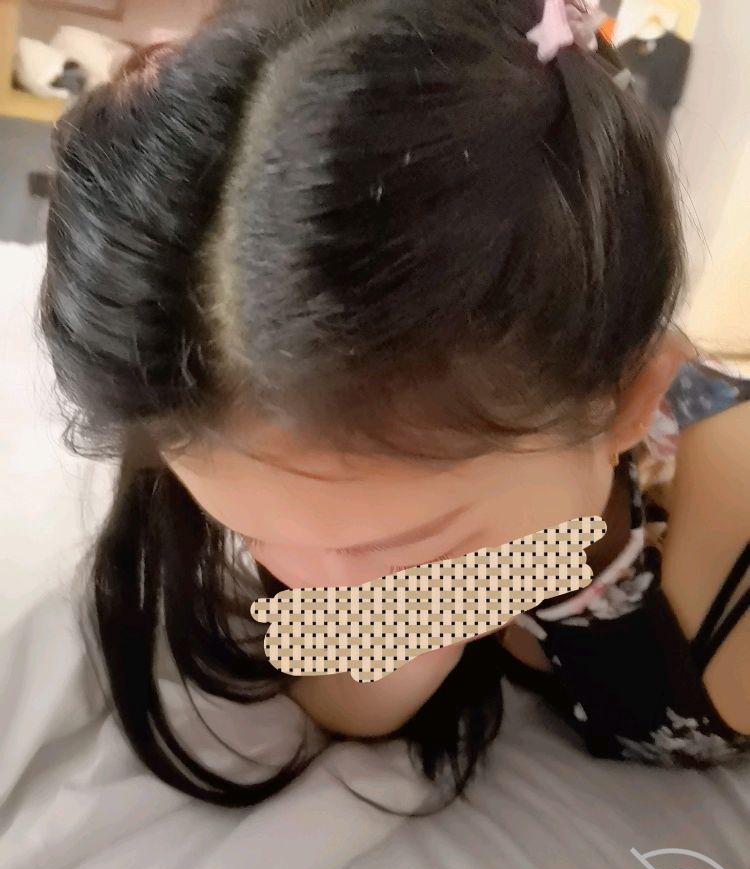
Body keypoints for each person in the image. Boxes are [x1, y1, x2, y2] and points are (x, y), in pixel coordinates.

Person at [38, 0, 750, 820]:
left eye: (402, 548)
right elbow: (343, 694)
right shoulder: (310, 478)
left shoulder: (723, 581)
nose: (319, 589)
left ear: (628, 402)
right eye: (254, 533)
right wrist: (423, 622)